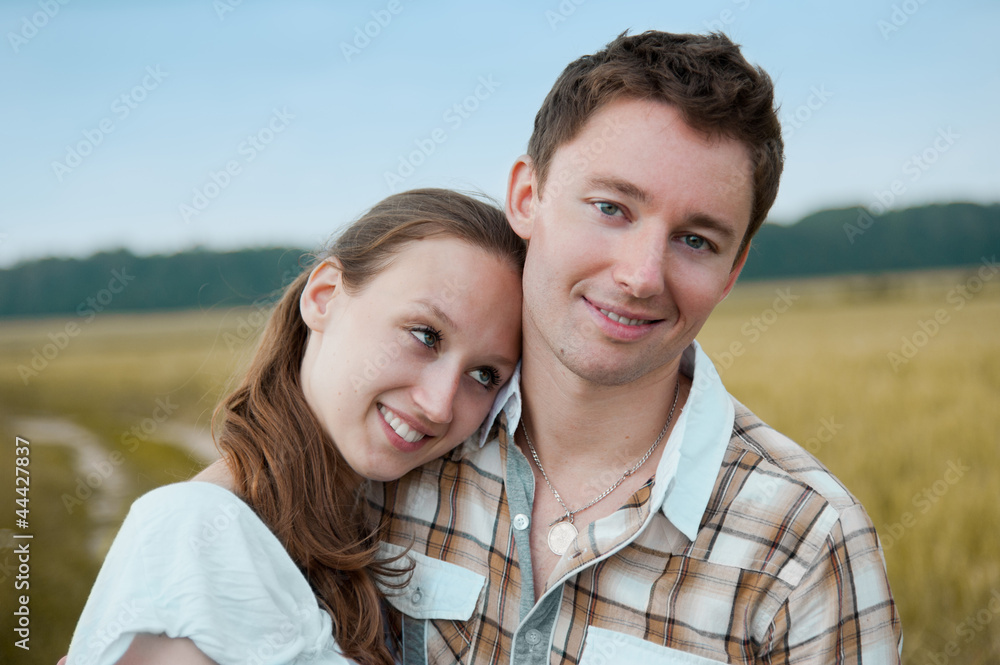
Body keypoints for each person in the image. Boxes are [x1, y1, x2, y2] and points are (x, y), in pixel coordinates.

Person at [375, 31, 903, 663]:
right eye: (611, 207)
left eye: (697, 241)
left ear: (732, 272)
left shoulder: (808, 543)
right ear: (527, 197)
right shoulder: (399, 440)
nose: (642, 276)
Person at [63, 189, 524, 665]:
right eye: (425, 336)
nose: (440, 405)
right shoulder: (197, 533)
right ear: (324, 298)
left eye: (484, 375)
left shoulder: (359, 532)